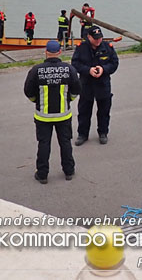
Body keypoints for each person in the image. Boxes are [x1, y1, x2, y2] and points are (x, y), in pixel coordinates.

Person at [24, 40, 81, 184]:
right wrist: (69, 100)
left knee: (44, 144)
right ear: (60, 52)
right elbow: (77, 89)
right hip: (63, 115)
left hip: (43, 116)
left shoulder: (36, 70)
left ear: (46, 52)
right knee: (65, 143)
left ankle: (42, 174)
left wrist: (36, 101)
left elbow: (28, 91)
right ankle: (69, 171)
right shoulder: (69, 69)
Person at [71, 25, 119, 146]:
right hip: (86, 83)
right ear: (88, 37)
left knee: (104, 110)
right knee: (84, 111)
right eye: (95, 38)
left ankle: (103, 133)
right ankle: (82, 134)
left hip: (102, 83)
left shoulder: (108, 47)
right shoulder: (81, 48)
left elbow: (114, 63)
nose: (98, 40)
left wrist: (103, 69)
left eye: (100, 38)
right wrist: (88, 70)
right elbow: (75, 63)